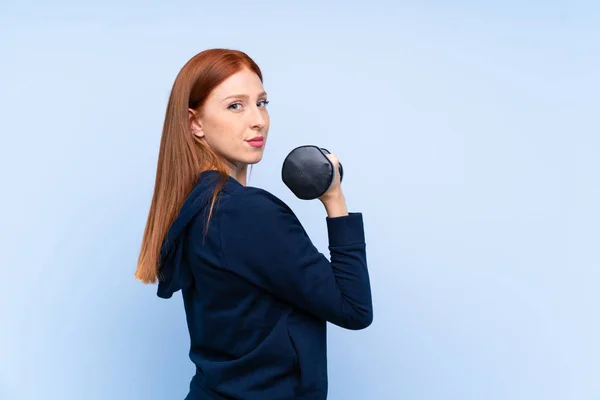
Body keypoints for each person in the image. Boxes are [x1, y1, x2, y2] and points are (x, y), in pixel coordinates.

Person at [135, 48, 373, 400]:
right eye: (236, 106)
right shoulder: (248, 213)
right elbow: (354, 308)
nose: (258, 120)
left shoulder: (196, 205)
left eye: (261, 103)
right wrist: (334, 198)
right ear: (194, 123)